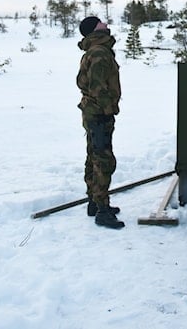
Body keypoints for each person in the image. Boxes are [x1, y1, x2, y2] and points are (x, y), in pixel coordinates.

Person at [76, 16, 124, 229]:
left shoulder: (97, 50)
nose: (105, 24)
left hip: (92, 112)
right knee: (103, 161)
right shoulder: (98, 52)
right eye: (101, 23)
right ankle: (102, 210)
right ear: (95, 29)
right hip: (98, 114)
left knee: (93, 156)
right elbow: (97, 86)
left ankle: (94, 203)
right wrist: (107, 110)